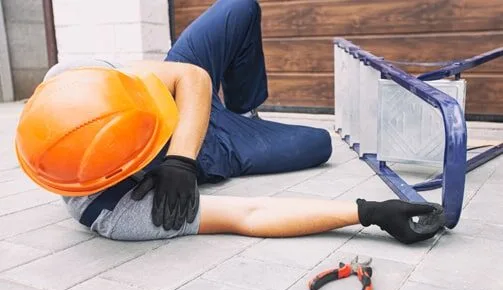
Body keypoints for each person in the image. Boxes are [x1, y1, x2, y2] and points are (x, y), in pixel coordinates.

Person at [14, 0, 445, 245]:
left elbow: (192, 77)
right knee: (318, 145)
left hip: (178, 94)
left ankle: (244, 107)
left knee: (240, 7)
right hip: (218, 146)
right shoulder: (114, 215)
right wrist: (367, 213)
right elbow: (249, 213)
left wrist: (178, 158)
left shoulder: (73, 78)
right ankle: (242, 130)